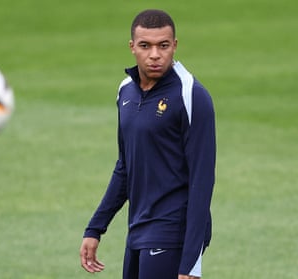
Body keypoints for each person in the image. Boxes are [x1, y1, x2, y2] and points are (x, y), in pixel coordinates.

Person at [79, 9, 216, 279]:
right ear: (132, 47)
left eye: (163, 45)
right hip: (138, 229)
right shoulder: (125, 91)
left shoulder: (191, 96)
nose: (155, 54)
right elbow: (125, 166)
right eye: (145, 46)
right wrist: (95, 228)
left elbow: (202, 180)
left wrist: (191, 263)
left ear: (174, 45)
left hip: (172, 230)